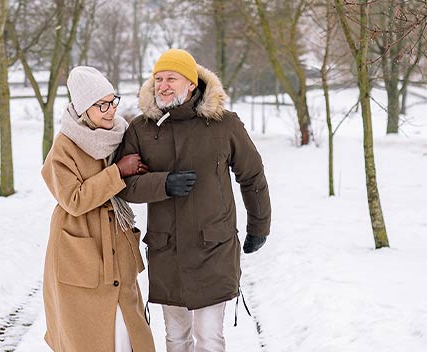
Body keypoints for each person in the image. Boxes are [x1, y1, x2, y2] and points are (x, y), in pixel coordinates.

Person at [117, 49, 272, 352]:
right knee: (175, 339)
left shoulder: (224, 124)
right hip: (167, 251)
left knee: (209, 337)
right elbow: (124, 185)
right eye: (158, 79)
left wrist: (259, 226)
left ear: (191, 83)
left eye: (171, 79)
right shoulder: (141, 128)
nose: (162, 85)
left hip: (212, 248)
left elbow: (252, 175)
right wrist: (163, 184)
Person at [41, 66, 155, 352]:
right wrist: (117, 172)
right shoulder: (64, 147)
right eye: (101, 105)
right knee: (91, 335)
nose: (110, 110)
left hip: (115, 242)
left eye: (112, 101)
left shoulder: (119, 134)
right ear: (82, 109)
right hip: (79, 247)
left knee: (127, 332)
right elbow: (74, 199)